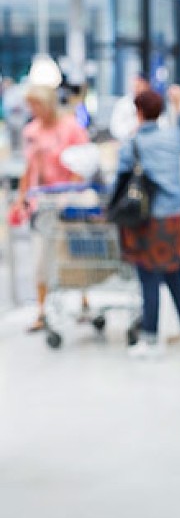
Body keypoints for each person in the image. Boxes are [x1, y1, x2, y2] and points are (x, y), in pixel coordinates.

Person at [117, 86, 180, 357]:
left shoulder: (134, 143)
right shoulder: (172, 137)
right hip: (174, 218)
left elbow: (121, 173)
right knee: (175, 273)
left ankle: (150, 339)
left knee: (148, 277)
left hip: (149, 220)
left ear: (138, 112)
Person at [13, 84, 90, 332]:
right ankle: (42, 310)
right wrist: (22, 198)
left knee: (76, 255)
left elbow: (83, 164)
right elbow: (29, 169)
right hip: (43, 204)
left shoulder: (70, 127)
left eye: (36, 105)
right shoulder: (31, 131)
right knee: (40, 260)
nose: (33, 110)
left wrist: (69, 194)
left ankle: (84, 302)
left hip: (70, 202)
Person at [110, 74, 150, 141]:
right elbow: (115, 128)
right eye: (135, 86)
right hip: (128, 141)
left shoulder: (152, 102)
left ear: (147, 86)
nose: (136, 88)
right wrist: (132, 129)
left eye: (140, 85)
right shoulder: (123, 103)